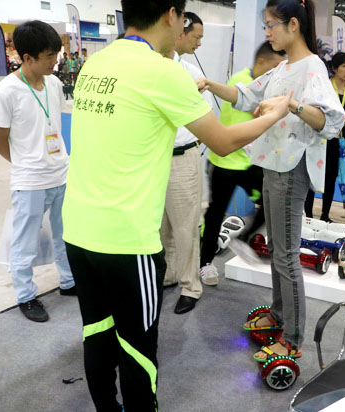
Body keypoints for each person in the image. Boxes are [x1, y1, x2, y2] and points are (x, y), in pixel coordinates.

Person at [61, 0, 292, 410]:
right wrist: (276, 111)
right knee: (138, 350)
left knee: (97, 331)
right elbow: (222, 140)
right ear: (172, 15)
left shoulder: (97, 62)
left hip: (78, 228)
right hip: (127, 240)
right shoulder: (164, 72)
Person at [196, 0, 344, 361]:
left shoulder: (311, 68)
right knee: (278, 250)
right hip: (274, 166)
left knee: (287, 256)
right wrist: (209, 83)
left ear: (293, 25)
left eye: (270, 25)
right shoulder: (283, 68)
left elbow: (332, 121)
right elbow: (246, 95)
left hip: (292, 169)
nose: (266, 32)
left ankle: (292, 338)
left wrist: (291, 107)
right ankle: (279, 316)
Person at [0, 20, 75, 323]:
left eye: (56, 54)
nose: (55, 62)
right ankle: (26, 295)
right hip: (30, 182)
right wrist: (27, 163)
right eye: (49, 56)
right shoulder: (6, 92)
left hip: (61, 175)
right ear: (27, 58)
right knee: (24, 242)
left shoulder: (52, 83)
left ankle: (68, 281)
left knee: (65, 235)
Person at [200, 41, 286, 285]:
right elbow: (252, 120)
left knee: (270, 203)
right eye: (275, 66)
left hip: (251, 163)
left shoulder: (270, 84)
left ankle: (243, 239)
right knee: (215, 215)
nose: (278, 72)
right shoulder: (240, 81)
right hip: (225, 161)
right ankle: (204, 264)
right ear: (261, 62)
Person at [159, 11, 208, 315]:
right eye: (196, 37)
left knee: (186, 226)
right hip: (154, 158)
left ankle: (191, 286)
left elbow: (203, 120)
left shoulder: (190, 73)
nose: (199, 43)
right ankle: (168, 274)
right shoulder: (151, 68)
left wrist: (190, 146)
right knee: (161, 226)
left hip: (181, 158)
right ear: (179, 31)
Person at [304, 52, 345, 223]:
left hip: (341, 141)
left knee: (332, 177)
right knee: (314, 175)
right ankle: (308, 215)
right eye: (343, 65)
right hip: (321, 138)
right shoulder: (325, 87)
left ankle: (325, 215)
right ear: (334, 68)